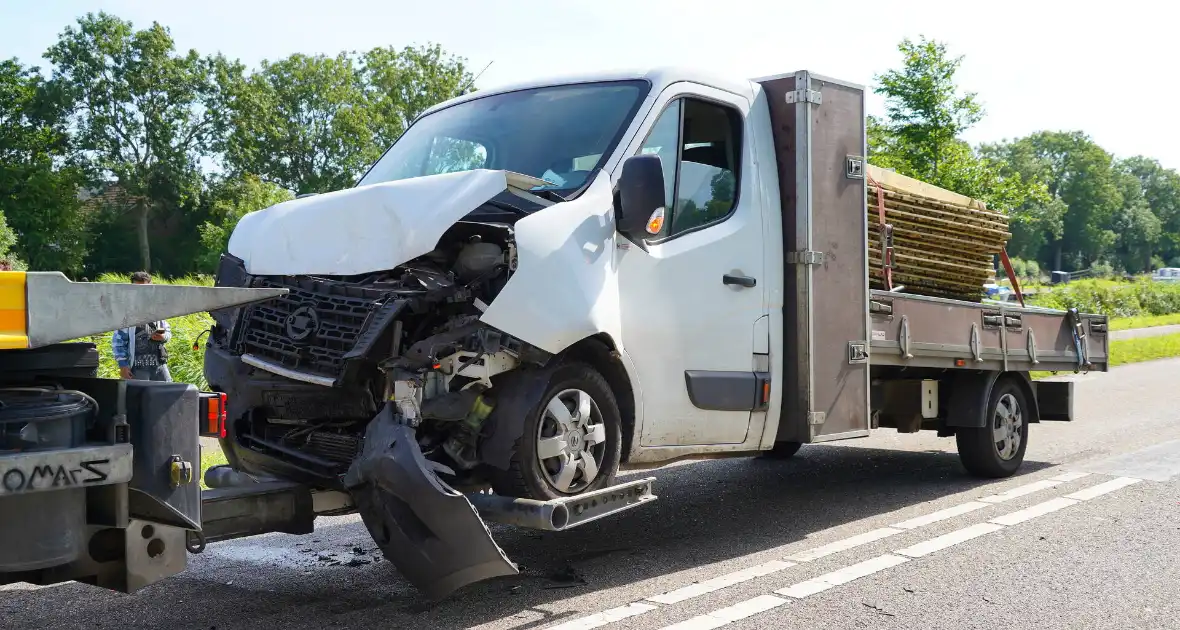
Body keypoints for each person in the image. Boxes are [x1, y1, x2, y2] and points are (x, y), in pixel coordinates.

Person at [111, 271, 173, 381]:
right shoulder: (127, 313)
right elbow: (118, 342)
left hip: (159, 366)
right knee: (140, 396)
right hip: (138, 369)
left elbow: (167, 331)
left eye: (145, 289)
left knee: (168, 393)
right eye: (137, 289)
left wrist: (163, 337)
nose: (142, 293)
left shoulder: (157, 310)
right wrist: (123, 366)